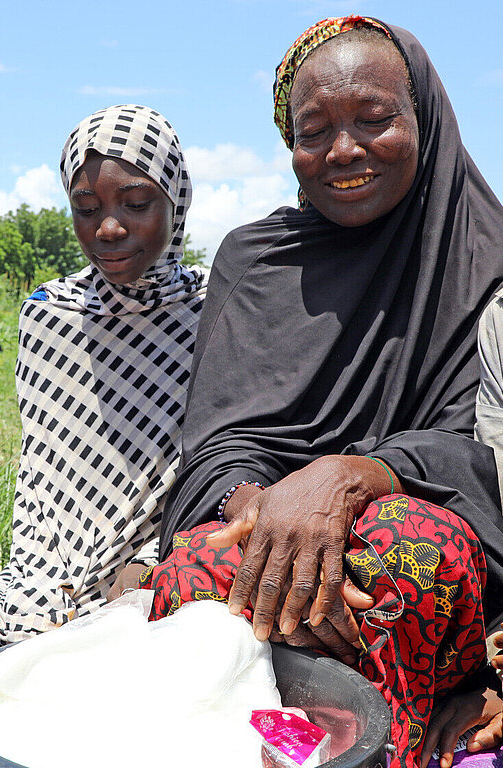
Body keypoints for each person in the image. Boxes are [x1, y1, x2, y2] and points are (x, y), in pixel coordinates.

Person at [144, 17, 503, 768]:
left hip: (442, 568)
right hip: (267, 535)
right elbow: (215, 446)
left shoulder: (484, 259)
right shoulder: (254, 260)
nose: (343, 151)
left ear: (424, 118)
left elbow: (482, 455)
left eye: (374, 120)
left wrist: (349, 477)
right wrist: (266, 517)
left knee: (401, 555)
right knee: (197, 570)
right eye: (314, 131)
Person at [0, 104, 207, 673]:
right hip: (52, 567)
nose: (108, 229)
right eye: (86, 209)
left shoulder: (215, 314)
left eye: (136, 205)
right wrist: (50, 581)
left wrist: (151, 563)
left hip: (174, 560)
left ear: (176, 202)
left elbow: (223, 464)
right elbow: (43, 475)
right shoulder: (50, 318)